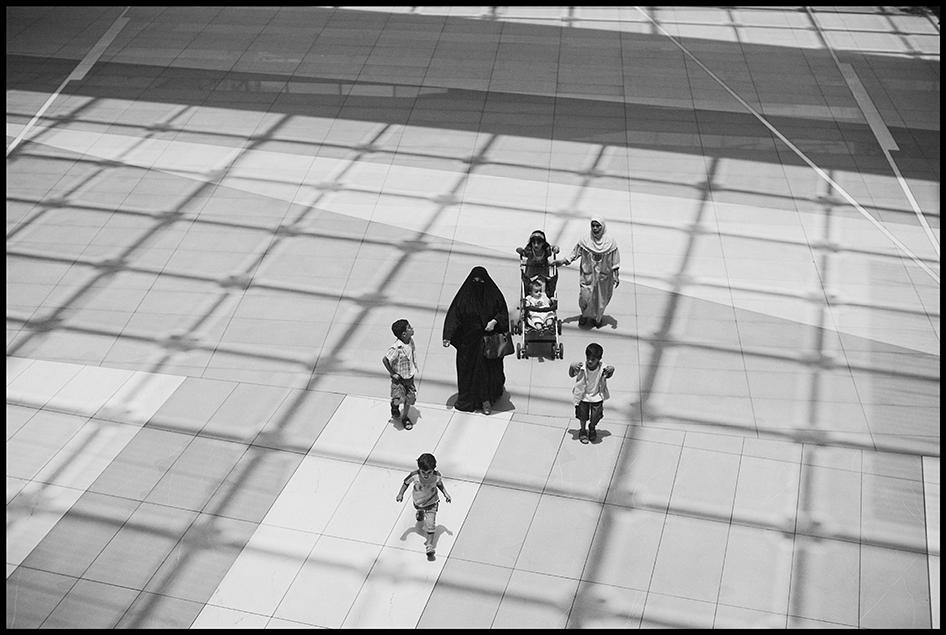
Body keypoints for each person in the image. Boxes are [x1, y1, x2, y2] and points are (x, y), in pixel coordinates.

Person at [442, 266, 509, 415]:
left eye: (481, 280)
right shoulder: (464, 297)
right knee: (468, 372)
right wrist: (448, 335)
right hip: (468, 344)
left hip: (488, 343)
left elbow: (503, 313)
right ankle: (469, 400)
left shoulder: (494, 295)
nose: (478, 283)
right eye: (475, 280)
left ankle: (487, 401)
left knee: (487, 372)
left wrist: (494, 321)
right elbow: (454, 316)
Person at [555, 216, 620, 328]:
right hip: (588, 276)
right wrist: (563, 261)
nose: (595, 228)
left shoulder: (610, 242)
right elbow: (574, 253)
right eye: (593, 225)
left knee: (601, 300)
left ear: (602, 226)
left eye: (597, 226)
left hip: (603, 278)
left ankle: (597, 318)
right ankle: (584, 315)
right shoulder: (585, 241)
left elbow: (615, 260)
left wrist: (615, 275)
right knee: (585, 297)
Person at [396, 452, 452, 560]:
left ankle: (429, 545)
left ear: (433, 470)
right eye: (423, 472)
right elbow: (406, 483)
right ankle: (420, 513)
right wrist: (400, 494)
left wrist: (446, 494)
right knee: (419, 511)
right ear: (419, 469)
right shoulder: (414, 475)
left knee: (431, 525)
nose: (426, 475)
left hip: (432, 503)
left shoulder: (436, 476)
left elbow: (440, 484)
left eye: (429, 472)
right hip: (418, 502)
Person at [568, 342, 614, 444]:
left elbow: (608, 375)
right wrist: (572, 366)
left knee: (596, 416)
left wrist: (611, 370)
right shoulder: (581, 367)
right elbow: (571, 374)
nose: (589, 361)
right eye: (588, 358)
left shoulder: (603, 367)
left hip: (597, 396)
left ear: (599, 359)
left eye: (593, 359)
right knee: (582, 415)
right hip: (583, 396)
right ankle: (583, 430)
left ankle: (592, 427)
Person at [382, 319, 417, 430]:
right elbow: (385, 359)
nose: (412, 329)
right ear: (404, 334)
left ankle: (405, 418)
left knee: (409, 399)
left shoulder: (410, 341)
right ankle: (394, 405)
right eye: (409, 327)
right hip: (399, 379)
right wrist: (393, 374)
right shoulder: (396, 348)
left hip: (409, 378)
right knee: (398, 398)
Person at [516, 229, 559, 297]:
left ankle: (544, 297)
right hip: (531, 271)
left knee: (543, 284)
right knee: (530, 285)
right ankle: (530, 298)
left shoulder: (546, 250)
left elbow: (553, 248)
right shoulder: (529, 251)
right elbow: (523, 252)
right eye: (534, 243)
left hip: (543, 271)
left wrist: (555, 248)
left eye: (538, 243)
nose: (536, 245)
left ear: (543, 243)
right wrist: (520, 251)